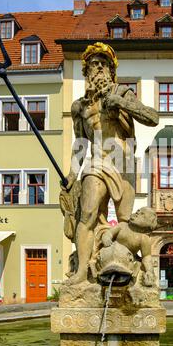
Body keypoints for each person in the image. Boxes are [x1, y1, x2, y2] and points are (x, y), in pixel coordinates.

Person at [60, 42, 159, 284]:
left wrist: (121, 104)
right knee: (88, 215)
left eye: (104, 64)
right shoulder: (79, 107)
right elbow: (81, 143)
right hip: (97, 163)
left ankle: (129, 271)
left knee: (126, 222)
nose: (99, 68)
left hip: (124, 164)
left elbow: (153, 118)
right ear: (87, 71)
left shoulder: (123, 93)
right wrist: (72, 176)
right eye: (94, 64)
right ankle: (83, 270)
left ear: (111, 70)